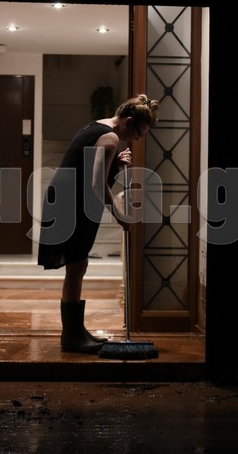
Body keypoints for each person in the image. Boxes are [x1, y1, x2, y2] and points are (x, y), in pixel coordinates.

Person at [38, 94, 159, 353]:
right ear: (128, 122)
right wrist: (119, 215)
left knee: (78, 264)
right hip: (71, 204)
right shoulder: (111, 138)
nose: (136, 140)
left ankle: (74, 331)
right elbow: (95, 184)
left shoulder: (97, 126)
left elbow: (88, 171)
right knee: (76, 265)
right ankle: (71, 336)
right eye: (138, 133)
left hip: (66, 198)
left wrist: (116, 164)